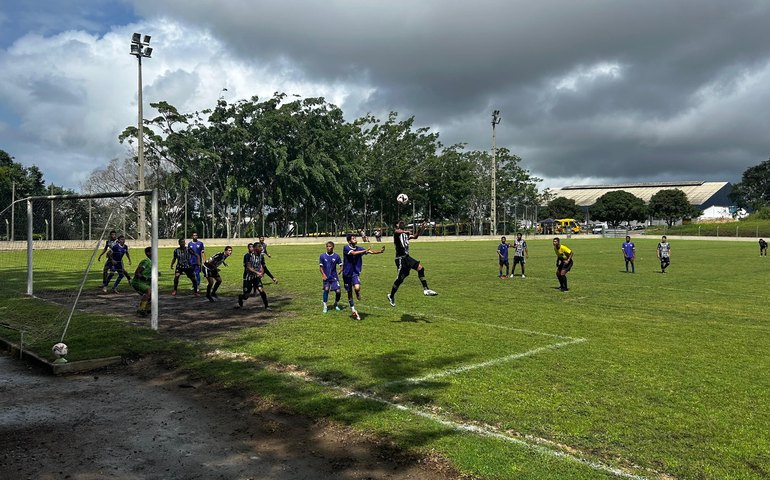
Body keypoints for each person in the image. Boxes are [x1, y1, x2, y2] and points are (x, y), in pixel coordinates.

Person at [387, 221, 437, 307]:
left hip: (407, 257)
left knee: (420, 268)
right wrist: (406, 231)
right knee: (400, 279)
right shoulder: (397, 233)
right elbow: (397, 232)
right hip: (400, 259)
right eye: (399, 222)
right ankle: (391, 295)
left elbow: (415, 236)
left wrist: (421, 229)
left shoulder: (405, 235)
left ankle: (426, 289)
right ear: (397, 225)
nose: (402, 222)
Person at [343, 233, 385, 320]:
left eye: (355, 238)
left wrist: (380, 252)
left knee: (357, 288)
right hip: (346, 274)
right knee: (349, 292)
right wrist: (365, 250)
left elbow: (370, 251)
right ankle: (353, 309)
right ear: (349, 241)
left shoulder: (360, 248)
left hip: (355, 273)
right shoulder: (346, 248)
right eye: (353, 238)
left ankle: (357, 293)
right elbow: (354, 253)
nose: (355, 239)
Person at [236, 243, 269, 309]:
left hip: (256, 277)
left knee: (261, 290)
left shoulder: (261, 256)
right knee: (246, 296)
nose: (261, 250)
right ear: (255, 249)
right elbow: (248, 268)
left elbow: (264, 267)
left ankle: (266, 306)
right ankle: (241, 297)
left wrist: (263, 273)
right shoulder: (248, 256)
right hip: (248, 278)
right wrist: (258, 272)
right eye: (260, 248)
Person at [320, 241, 343, 313]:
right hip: (326, 277)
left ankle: (336, 304)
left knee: (338, 291)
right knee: (326, 289)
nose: (328, 248)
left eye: (330, 246)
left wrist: (340, 270)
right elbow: (320, 267)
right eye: (327, 246)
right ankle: (325, 306)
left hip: (334, 277)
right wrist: (323, 274)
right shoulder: (322, 256)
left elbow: (341, 265)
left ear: (333, 247)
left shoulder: (336, 256)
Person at [131, 246, 153, 316]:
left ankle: (147, 309)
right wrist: (146, 278)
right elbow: (137, 273)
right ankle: (141, 310)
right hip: (138, 282)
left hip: (145, 283)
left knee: (153, 294)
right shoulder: (146, 262)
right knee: (148, 291)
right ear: (148, 253)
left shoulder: (153, 262)